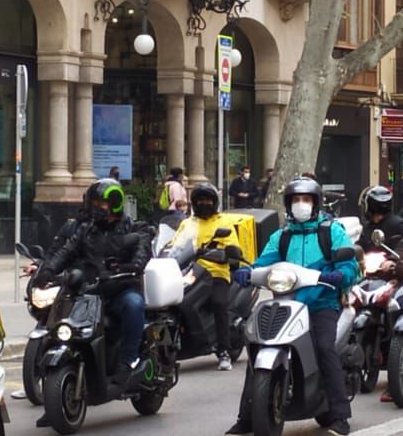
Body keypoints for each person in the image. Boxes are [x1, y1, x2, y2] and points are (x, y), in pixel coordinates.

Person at [226, 177, 358, 436]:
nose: (301, 205)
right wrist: (247, 272)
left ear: (316, 203)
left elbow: (351, 264)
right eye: (296, 200)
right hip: (286, 303)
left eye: (306, 200)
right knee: (257, 345)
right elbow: (263, 262)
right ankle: (247, 417)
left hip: (322, 303)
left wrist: (339, 275)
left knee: (324, 347)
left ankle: (340, 414)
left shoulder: (331, 231)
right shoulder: (282, 236)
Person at [35, 179, 153, 419]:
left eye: (102, 204)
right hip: (91, 291)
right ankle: (55, 398)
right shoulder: (86, 230)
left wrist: (127, 266)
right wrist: (46, 271)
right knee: (63, 327)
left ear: (115, 204)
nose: (97, 208)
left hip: (120, 290)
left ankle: (127, 361)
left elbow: (142, 256)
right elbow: (65, 251)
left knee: (134, 305)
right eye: (95, 203)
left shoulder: (135, 230)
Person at [181, 182, 246, 370]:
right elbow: (175, 244)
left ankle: (224, 350)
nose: (204, 203)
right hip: (190, 271)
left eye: (208, 200)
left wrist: (224, 253)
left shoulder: (223, 222)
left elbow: (233, 246)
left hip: (216, 271)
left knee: (219, 303)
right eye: (200, 200)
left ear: (215, 202)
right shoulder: (187, 223)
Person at [359, 184, 403, 253]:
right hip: (370, 262)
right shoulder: (368, 227)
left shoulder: (399, 225)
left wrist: (392, 259)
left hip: (392, 262)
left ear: (369, 206)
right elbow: (361, 245)